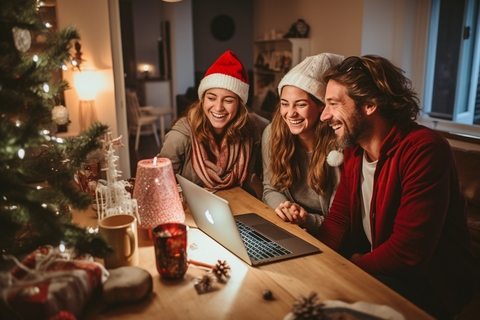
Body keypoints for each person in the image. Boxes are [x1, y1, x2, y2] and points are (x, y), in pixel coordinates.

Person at [318, 55, 480, 319]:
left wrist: (351, 266)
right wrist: (318, 258)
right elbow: (339, 218)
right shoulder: (354, 150)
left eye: (333, 104)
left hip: (430, 282)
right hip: (379, 268)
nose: (325, 115)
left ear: (370, 104)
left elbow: (408, 252)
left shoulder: (425, 150)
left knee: (333, 301)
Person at [158, 51, 268, 195]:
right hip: (191, 210)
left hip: (241, 205)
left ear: (240, 105)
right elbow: (160, 184)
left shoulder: (254, 128)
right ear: (203, 100)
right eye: (211, 98)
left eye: (228, 100)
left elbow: (269, 176)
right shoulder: (180, 135)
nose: (218, 107)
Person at [262, 53, 344, 234]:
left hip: (326, 234)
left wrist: (305, 220)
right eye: (285, 104)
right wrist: (285, 209)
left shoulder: (338, 147)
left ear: (321, 107)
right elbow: (270, 189)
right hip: (289, 225)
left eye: (300, 105)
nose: (290, 113)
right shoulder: (273, 134)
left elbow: (339, 220)